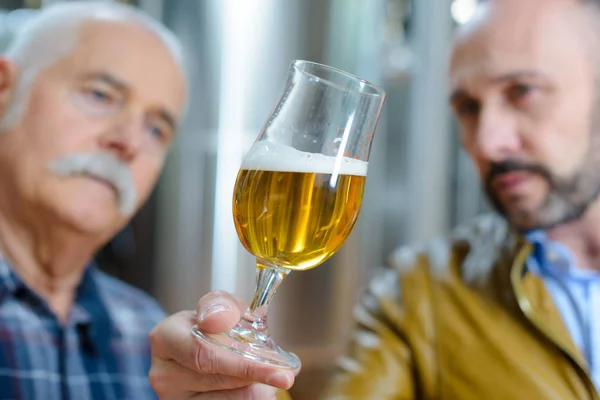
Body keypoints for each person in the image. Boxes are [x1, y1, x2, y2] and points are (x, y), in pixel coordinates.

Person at [149, 0, 600, 398]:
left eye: (523, 92)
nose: (487, 141)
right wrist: (245, 394)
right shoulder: (419, 292)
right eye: (467, 108)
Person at [0, 1, 186, 399]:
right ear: (4, 90)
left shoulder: (151, 336)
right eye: (101, 95)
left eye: (156, 129)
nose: (129, 142)